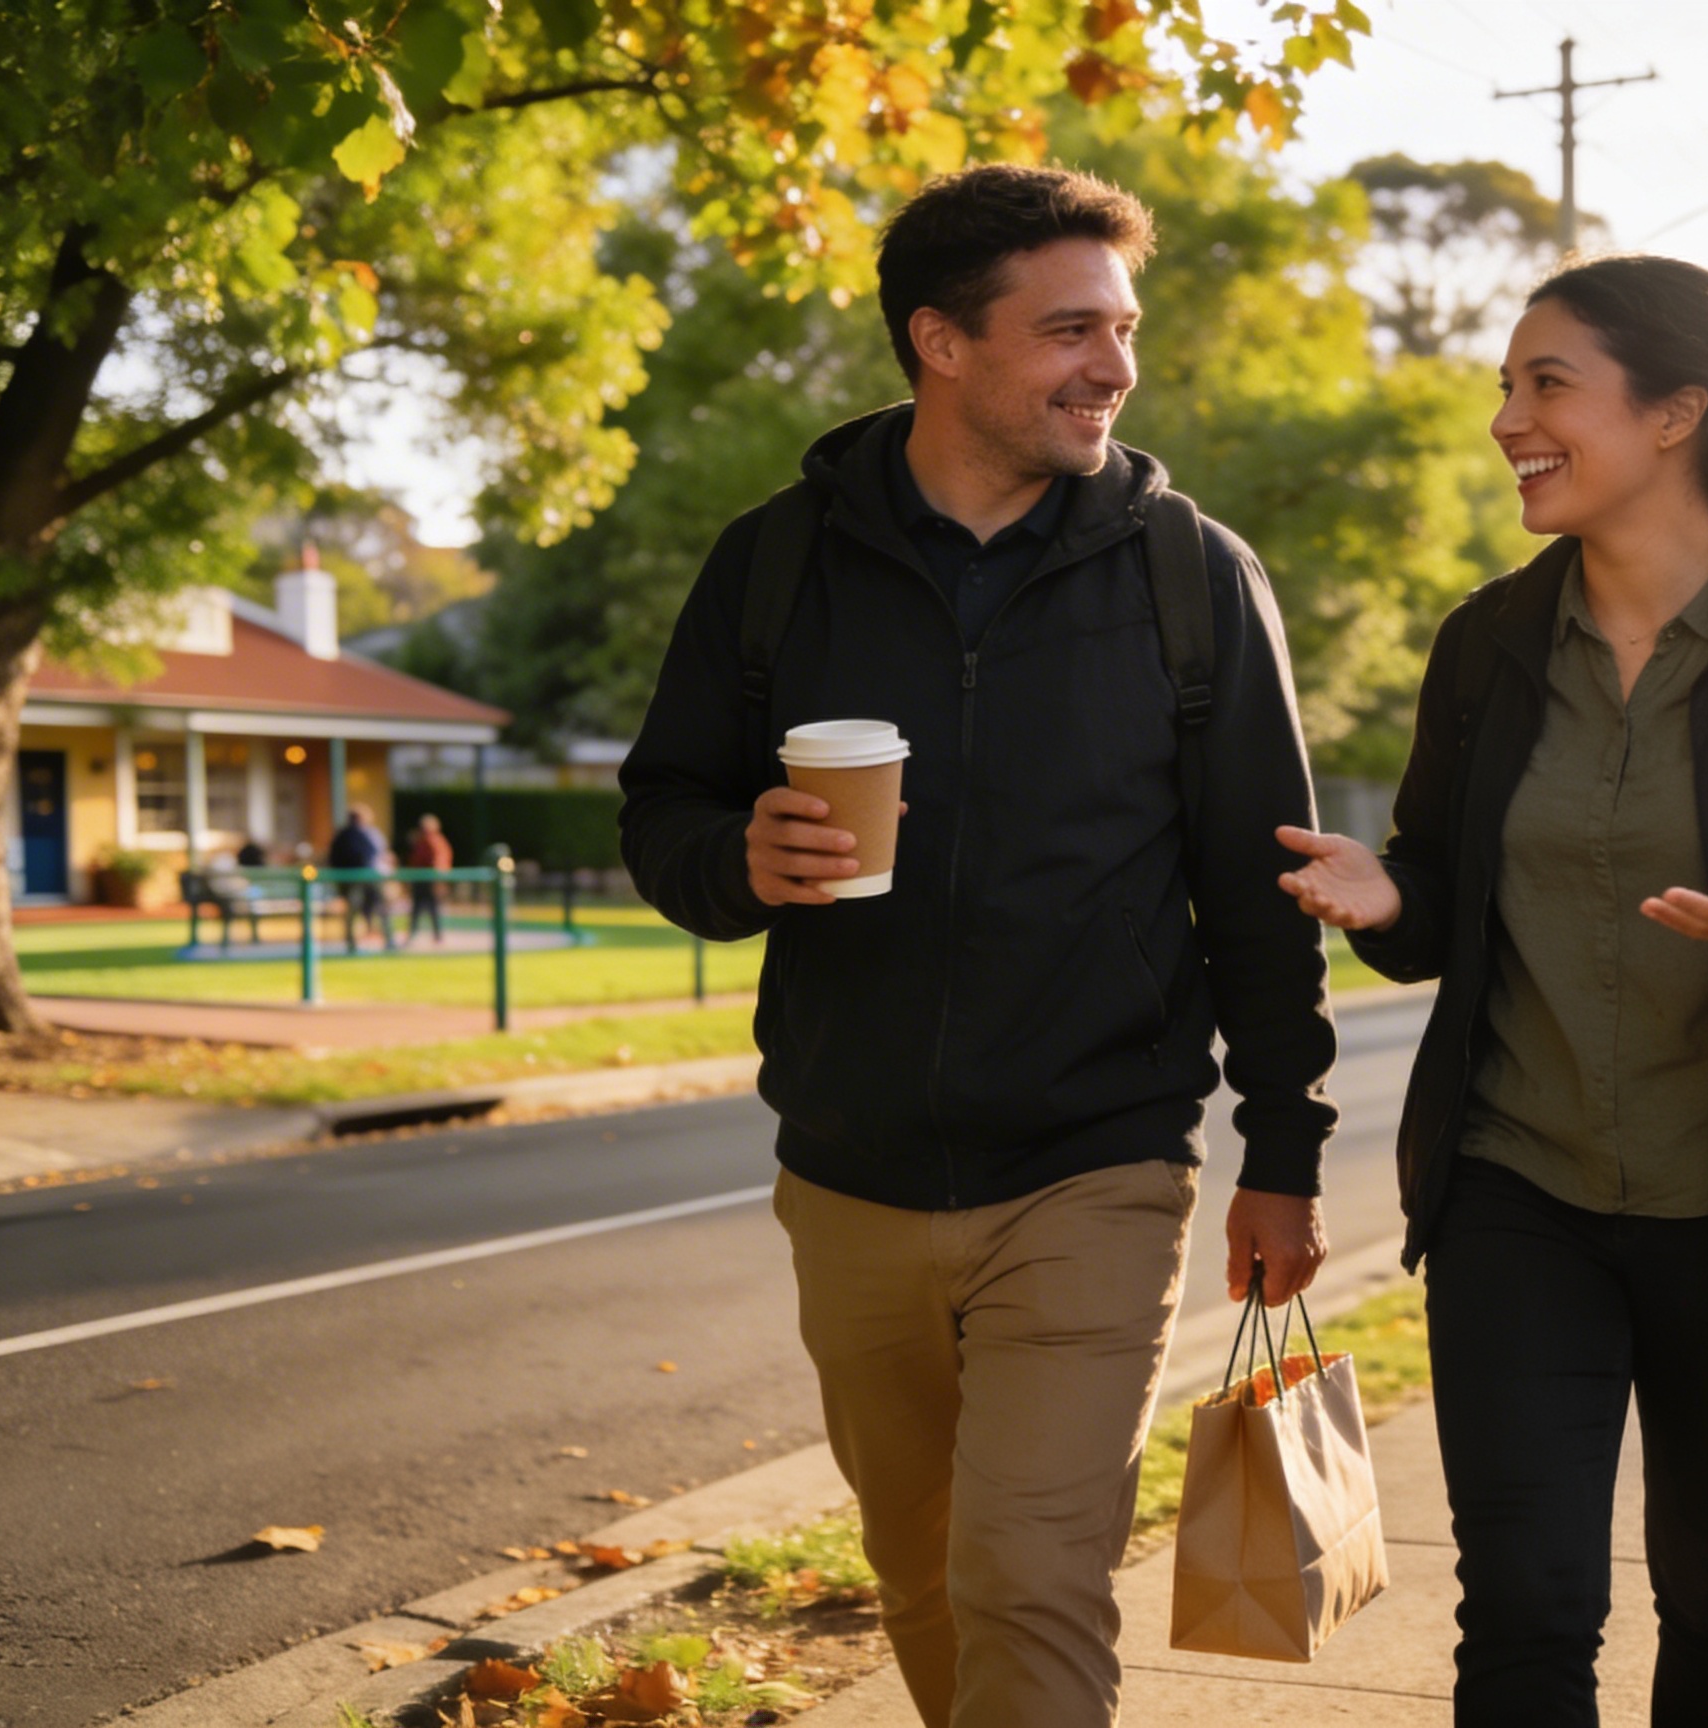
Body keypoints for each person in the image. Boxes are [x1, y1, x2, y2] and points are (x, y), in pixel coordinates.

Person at [617, 164, 1337, 1728]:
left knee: (1028, 1576)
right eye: (1071, 329)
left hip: (1097, 1163)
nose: (1115, 366)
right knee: (927, 1570)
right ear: (940, 342)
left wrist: (1284, 1150)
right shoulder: (775, 563)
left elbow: (1260, 886)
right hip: (848, 1172)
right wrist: (736, 858)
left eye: (1123, 327)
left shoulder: (1189, 575)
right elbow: (662, 809)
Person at [1275, 254, 1708, 1728]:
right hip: (1520, 1195)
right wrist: (1391, 899)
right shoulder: (1488, 643)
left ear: (1674, 413)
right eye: (1506, 387)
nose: (1508, 420)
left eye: (1548, 384)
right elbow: (1438, 896)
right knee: (1523, 1607)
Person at [325, 803, 395, 951]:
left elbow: (382, 854)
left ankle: (389, 940)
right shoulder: (344, 836)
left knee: (380, 908)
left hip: (373, 878)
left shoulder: (372, 834)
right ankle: (351, 943)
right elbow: (336, 858)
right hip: (353, 880)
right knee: (353, 910)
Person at [403, 812, 454, 944]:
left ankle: (437, 936)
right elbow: (415, 861)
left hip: (431, 880)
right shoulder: (420, 841)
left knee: (433, 909)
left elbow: (440, 861)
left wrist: (438, 880)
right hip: (420, 880)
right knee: (417, 909)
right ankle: (413, 934)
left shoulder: (436, 841)